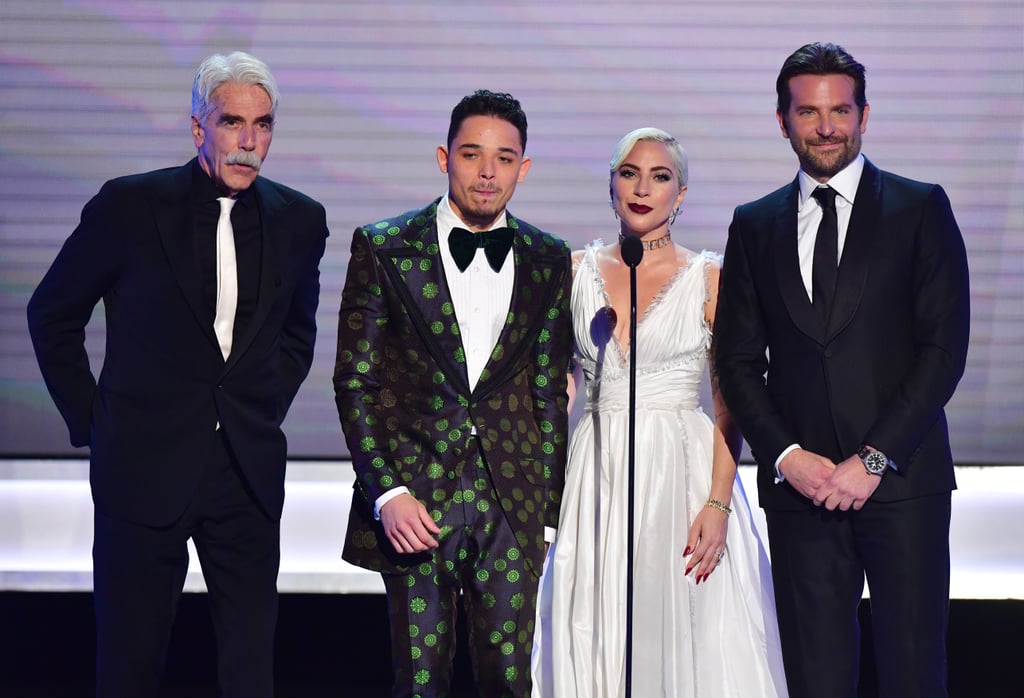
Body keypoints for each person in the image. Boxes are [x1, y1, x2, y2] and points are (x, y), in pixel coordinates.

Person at [26, 52, 328, 697]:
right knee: (130, 667)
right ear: (198, 128)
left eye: (264, 124)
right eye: (232, 123)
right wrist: (95, 424)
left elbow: (297, 333)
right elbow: (52, 315)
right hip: (141, 468)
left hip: (244, 474)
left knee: (251, 672)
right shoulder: (130, 207)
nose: (249, 142)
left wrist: (264, 401)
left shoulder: (300, 219)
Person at [714, 42, 970, 698]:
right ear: (783, 121)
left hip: (902, 488)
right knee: (815, 678)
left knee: (914, 674)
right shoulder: (755, 224)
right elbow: (737, 361)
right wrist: (786, 455)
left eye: (840, 110)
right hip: (802, 495)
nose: (826, 126)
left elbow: (943, 350)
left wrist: (874, 460)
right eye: (808, 112)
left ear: (863, 116)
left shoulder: (919, 209)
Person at [334, 89, 573, 697]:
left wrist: (546, 515)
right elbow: (355, 382)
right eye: (472, 154)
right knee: (418, 684)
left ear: (524, 167)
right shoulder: (385, 246)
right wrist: (387, 491)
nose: (487, 172)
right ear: (444, 158)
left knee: (510, 683)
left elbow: (547, 394)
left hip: (511, 507)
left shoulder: (548, 258)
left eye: (504, 157)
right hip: (416, 501)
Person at [539, 127, 787, 697]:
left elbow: (731, 404)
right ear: (611, 186)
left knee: (685, 634)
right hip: (595, 471)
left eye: (659, 176)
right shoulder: (572, 271)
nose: (642, 188)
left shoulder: (710, 278)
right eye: (629, 173)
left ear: (681, 195)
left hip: (683, 474)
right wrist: (547, 499)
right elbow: (561, 392)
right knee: (592, 626)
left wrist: (719, 503)